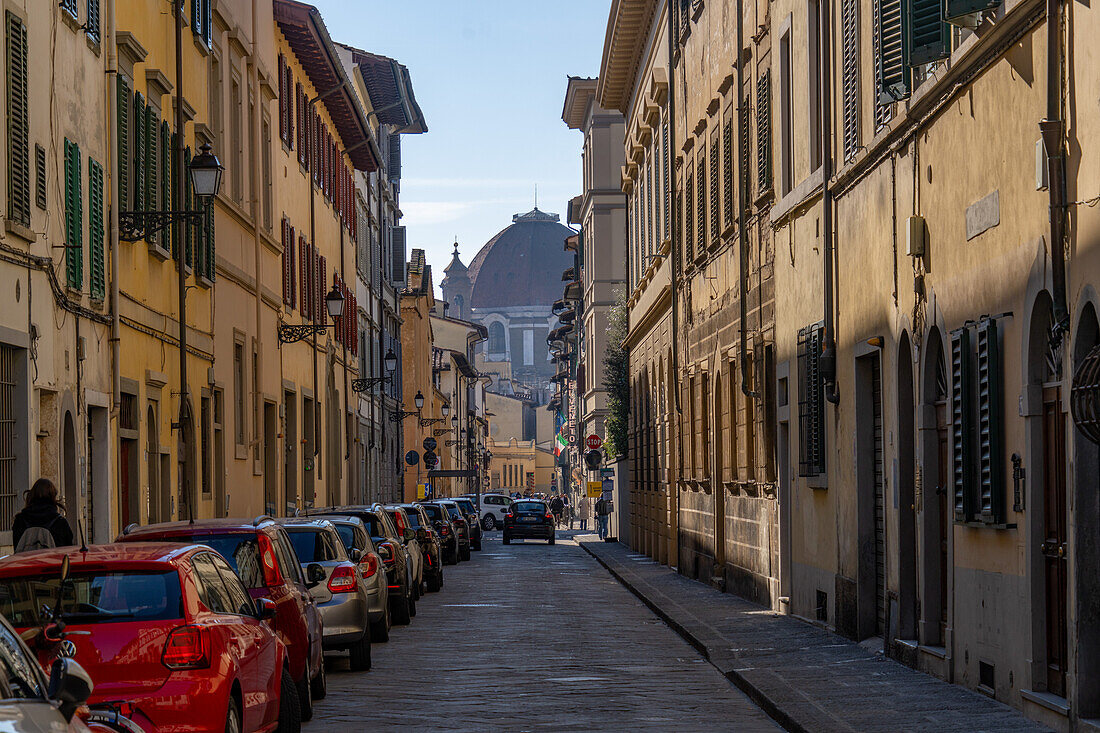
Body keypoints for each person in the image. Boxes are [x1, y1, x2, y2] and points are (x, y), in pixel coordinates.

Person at [13, 478, 75, 552]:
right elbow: (67, 550)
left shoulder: (19, 520)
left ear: (31, 495)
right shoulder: (60, 523)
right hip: (52, 562)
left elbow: (17, 547)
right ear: (53, 496)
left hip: (26, 562)